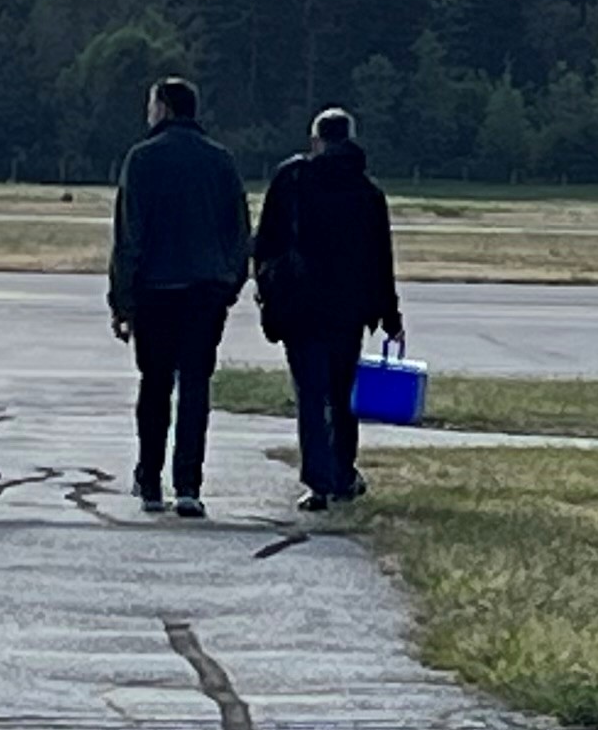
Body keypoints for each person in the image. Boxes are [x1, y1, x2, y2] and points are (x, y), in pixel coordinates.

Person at [106, 76, 248, 517]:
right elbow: (239, 230)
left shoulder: (142, 158)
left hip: (155, 290)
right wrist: (231, 283)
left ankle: (149, 480)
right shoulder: (220, 160)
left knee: (154, 385)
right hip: (206, 289)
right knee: (195, 387)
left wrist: (121, 299)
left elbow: (129, 234)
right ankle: (189, 483)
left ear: (163, 108)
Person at [252, 107, 404, 511]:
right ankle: (342, 473)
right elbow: (380, 259)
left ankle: (317, 482)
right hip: (349, 309)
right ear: (351, 138)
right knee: (341, 394)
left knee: (310, 394)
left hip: (300, 305)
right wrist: (391, 316)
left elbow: (265, 241)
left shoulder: (292, 179)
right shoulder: (368, 192)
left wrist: (268, 291)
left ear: (316, 139)